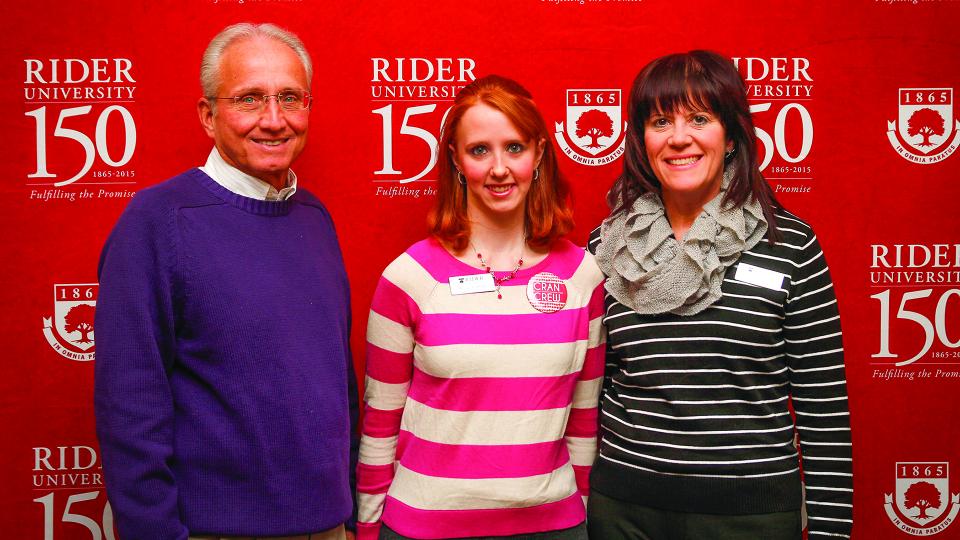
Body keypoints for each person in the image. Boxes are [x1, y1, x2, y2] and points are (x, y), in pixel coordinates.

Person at [94, 23, 358, 540]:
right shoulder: (157, 221)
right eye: (250, 99)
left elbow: (337, 383)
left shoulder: (314, 217)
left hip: (327, 529)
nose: (274, 120)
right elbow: (130, 408)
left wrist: (346, 515)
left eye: (290, 97)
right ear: (208, 116)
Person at [587, 50, 852, 540]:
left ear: (731, 136)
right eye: (660, 121)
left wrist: (832, 531)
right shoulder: (607, 247)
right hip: (622, 510)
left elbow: (824, 410)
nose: (679, 138)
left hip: (749, 514)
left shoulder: (789, 245)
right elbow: (591, 391)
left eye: (700, 118)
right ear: (642, 140)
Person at [355, 75, 605, 540]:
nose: (499, 169)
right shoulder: (410, 278)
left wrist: (582, 514)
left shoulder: (582, 276)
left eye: (514, 148)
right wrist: (368, 529)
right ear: (454, 159)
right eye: (479, 150)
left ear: (540, 153)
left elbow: (584, 422)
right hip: (425, 527)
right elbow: (380, 422)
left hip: (553, 527)